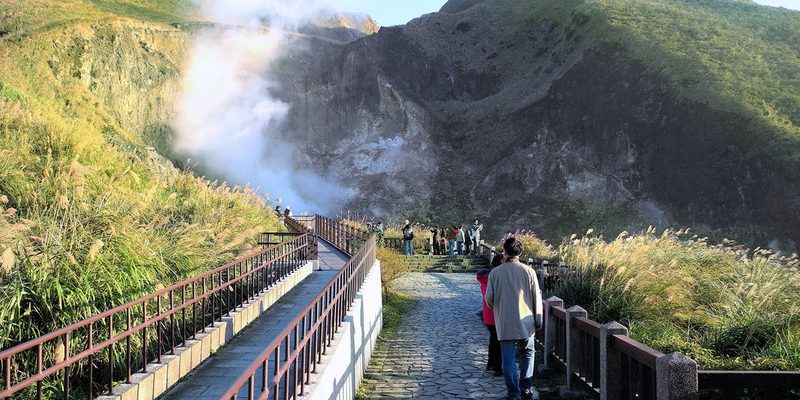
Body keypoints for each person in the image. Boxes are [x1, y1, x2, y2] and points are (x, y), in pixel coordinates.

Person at [485, 238, 543, 400]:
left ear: (504, 252)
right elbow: (536, 297)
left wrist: (499, 307)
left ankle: (513, 393)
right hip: (527, 322)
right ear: (521, 252)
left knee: (508, 358)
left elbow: (489, 299)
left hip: (505, 322)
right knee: (528, 353)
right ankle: (526, 388)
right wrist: (538, 319)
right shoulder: (529, 271)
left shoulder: (495, 273)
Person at [477, 254, 505, 376]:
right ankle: (498, 368)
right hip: (498, 312)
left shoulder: (484, 277)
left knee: (493, 339)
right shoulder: (498, 277)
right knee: (499, 341)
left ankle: (490, 363)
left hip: (488, 313)